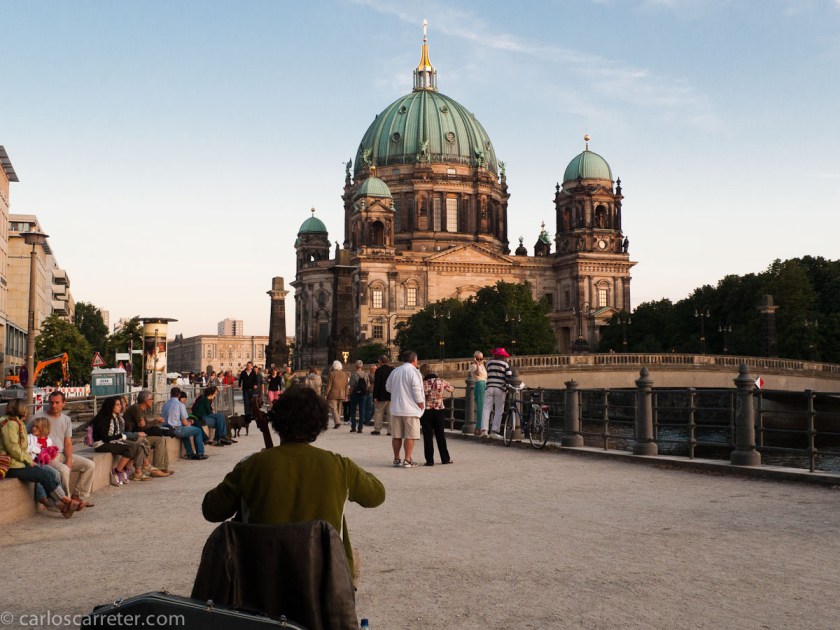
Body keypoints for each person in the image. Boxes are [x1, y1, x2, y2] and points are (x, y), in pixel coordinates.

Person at [202, 386, 386, 585]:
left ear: (277, 422)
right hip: (323, 578)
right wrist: (348, 470)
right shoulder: (339, 465)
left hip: (263, 577)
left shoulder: (251, 466)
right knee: (353, 558)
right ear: (320, 425)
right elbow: (377, 495)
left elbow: (211, 510)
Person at [1, 399, 81, 518]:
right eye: (25, 408)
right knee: (41, 474)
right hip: (9, 465)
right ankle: (66, 501)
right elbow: (13, 448)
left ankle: (62, 505)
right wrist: (28, 461)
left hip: (17, 462)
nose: (27, 411)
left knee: (45, 473)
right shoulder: (10, 424)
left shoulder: (17, 423)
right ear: (21, 409)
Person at [31, 390, 95, 507]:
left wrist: (69, 459)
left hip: (62, 454)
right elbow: (26, 436)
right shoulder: (38, 417)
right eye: (51, 402)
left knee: (89, 465)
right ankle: (68, 501)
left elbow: (68, 442)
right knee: (64, 470)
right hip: (46, 457)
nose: (53, 405)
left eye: (57, 402)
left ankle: (77, 496)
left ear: (64, 403)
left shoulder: (66, 419)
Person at [90, 396, 151, 485]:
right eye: (118, 405)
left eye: (120, 405)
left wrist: (121, 437)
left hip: (112, 441)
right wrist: (121, 436)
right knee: (131, 448)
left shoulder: (116, 417)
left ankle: (126, 470)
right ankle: (117, 471)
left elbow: (117, 435)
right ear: (111, 406)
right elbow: (105, 438)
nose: (120, 407)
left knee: (138, 446)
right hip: (101, 444)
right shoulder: (105, 419)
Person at [385, 350, 425, 468]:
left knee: (396, 435)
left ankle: (397, 458)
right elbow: (416, 389)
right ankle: (407, 459)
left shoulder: (395, 371)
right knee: (410, 435)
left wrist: (398, 392)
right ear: (414, 360)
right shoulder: (414, 372)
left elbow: (388, 387)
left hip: (397, 407)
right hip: (410, 408)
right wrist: (420, 402)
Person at [123, 390, 175, 475]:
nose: (152, 401)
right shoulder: (136, 409)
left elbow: (145, 424)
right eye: (151, 399)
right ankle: (157, 469)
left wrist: (154, 422)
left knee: (161, 439)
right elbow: (143, 427)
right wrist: (154, 421)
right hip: (133, 437)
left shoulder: (141, 410)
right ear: (145, 400)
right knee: (159, 440)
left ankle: (162, 467)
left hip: (139, 436)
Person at [419, 364, 453, 466]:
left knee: (428, 436)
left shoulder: (422, 383)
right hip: (439, 410)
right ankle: (445, 458)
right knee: (440, 435)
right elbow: (450, 389)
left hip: (427, 411)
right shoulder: (441, 381)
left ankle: (429, 460)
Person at [162, 387, 207, 460]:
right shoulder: (180, 405)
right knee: (197, 430)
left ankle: (190, 453)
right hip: (176, 429)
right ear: (179, 395)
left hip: (166, 429)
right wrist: (189, 423)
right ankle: (200, 453)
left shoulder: (165, 404)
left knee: (185, 431)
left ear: (171, 394)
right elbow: (184, 422)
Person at [480, 347, 513, 439]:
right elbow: (508, 377)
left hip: (489, 387)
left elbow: (487, 372)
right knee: (499, 410)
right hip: (500, 389)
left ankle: (484, 430)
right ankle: (494, 431)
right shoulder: (506, 364)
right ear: (503, 356)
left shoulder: (489, 363)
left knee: (486, 409)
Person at [371, 355, 393, 436]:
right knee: (390, 414)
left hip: (381, 395)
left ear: (381, 361)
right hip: (391, 395)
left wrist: (375, 396)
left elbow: (377, 384)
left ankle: (377, 429)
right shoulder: (392, 370)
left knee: (379, 413)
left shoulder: (379, 370)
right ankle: (390, 430)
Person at [325, 360, 349, 429]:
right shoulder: (345, 374)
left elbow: (329, 385)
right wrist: (346, 394)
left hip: (333, 393)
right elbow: (346, 385)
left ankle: (337, 422)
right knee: (339, 408)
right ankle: (337, 422)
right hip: (342, 393)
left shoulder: (332, 374)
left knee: (333, 408)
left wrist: (326, 394)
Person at [347, 361, 370, 434]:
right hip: (363, 394)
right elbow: (368, 385)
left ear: (355, 366)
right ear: (362, 366)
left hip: (355, 394)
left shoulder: (353, 374)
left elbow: (351, 386)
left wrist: (349, 394)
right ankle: (360, 428)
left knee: (353, 411)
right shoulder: (365, 374)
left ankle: (353, 427)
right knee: (362, 410)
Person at [469, 351, 487, 436]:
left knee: (482, 407)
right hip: (479, 384)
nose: (479, 360)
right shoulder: (473, 366)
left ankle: (478, 428)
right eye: (478, 358)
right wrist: (476, 363)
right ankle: (479, 428)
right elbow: (478, 373)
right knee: (481, 408)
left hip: (483, 384)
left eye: (481, 358)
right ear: (474, 358)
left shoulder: (482, 365)